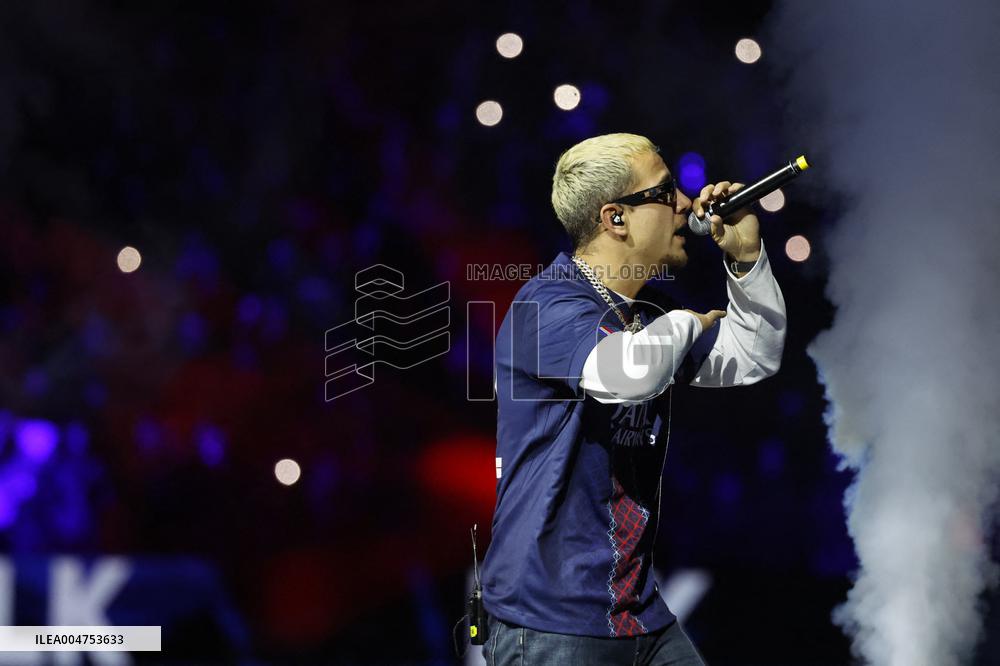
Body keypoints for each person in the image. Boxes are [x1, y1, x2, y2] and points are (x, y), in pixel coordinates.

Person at [479, 133, 787, 665]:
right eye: (666, 191)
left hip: (637, 613)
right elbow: (625, 374)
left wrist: (746, 259)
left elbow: (755, 355)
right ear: (615, 218)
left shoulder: (650, 313)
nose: (689, 204)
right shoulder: (543, 308)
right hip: (550, 619)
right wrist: (688, 323)